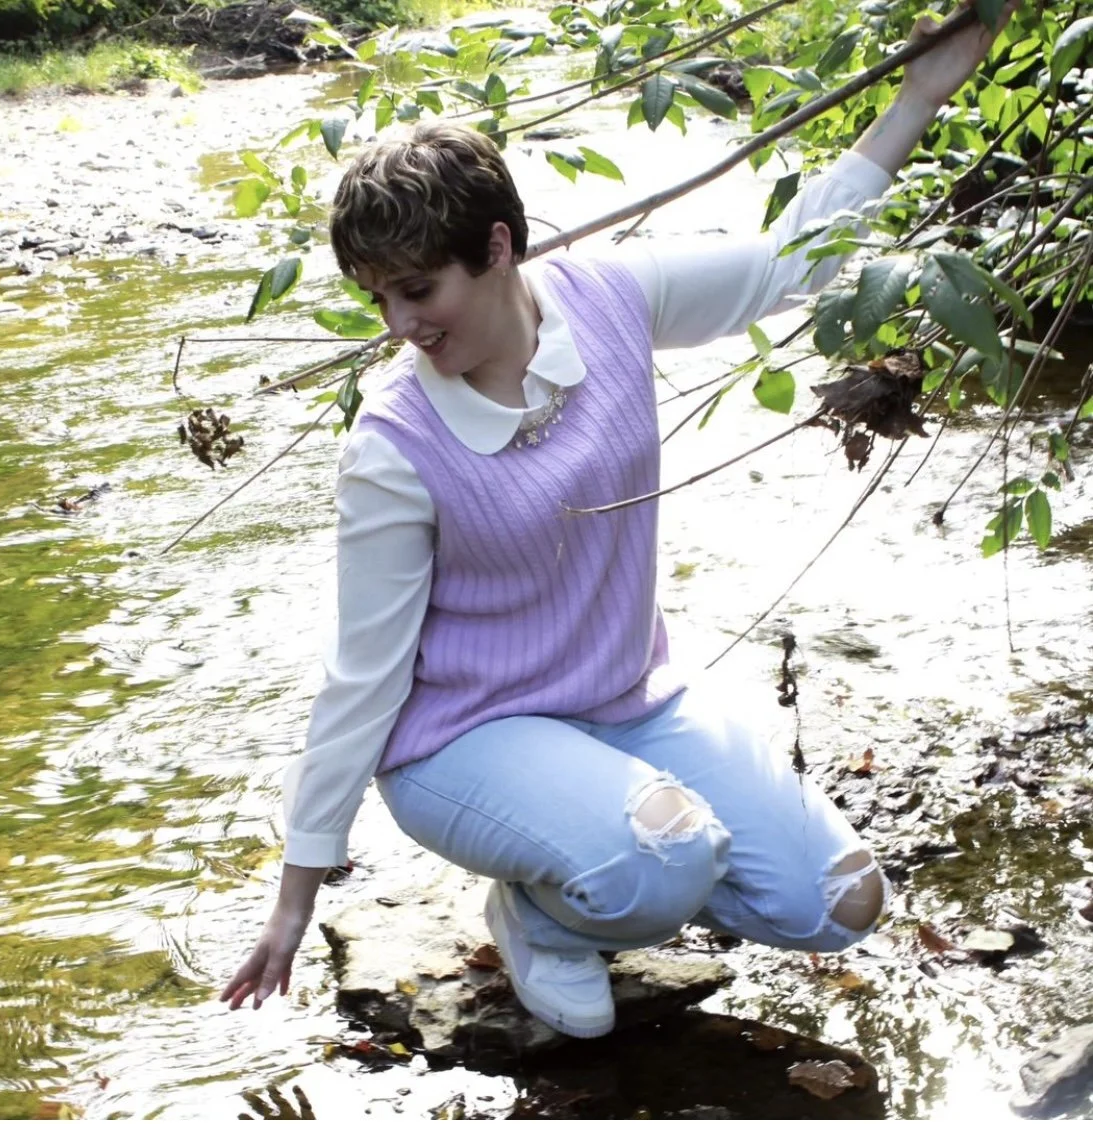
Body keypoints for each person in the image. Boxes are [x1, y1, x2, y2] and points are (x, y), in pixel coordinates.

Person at [221, 3, 1015, 1038]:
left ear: (497, 246)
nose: (401, 325)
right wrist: (296, 893)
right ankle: (544, 916)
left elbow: (790, 265)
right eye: (379, 300)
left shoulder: (607, 298)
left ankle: (606, 859)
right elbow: (360, 674)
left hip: (625, 696)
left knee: (840, 901)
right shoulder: (393, 445)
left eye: (418, 289)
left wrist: (920, 93)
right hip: (461, 739)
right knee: (661, 856)